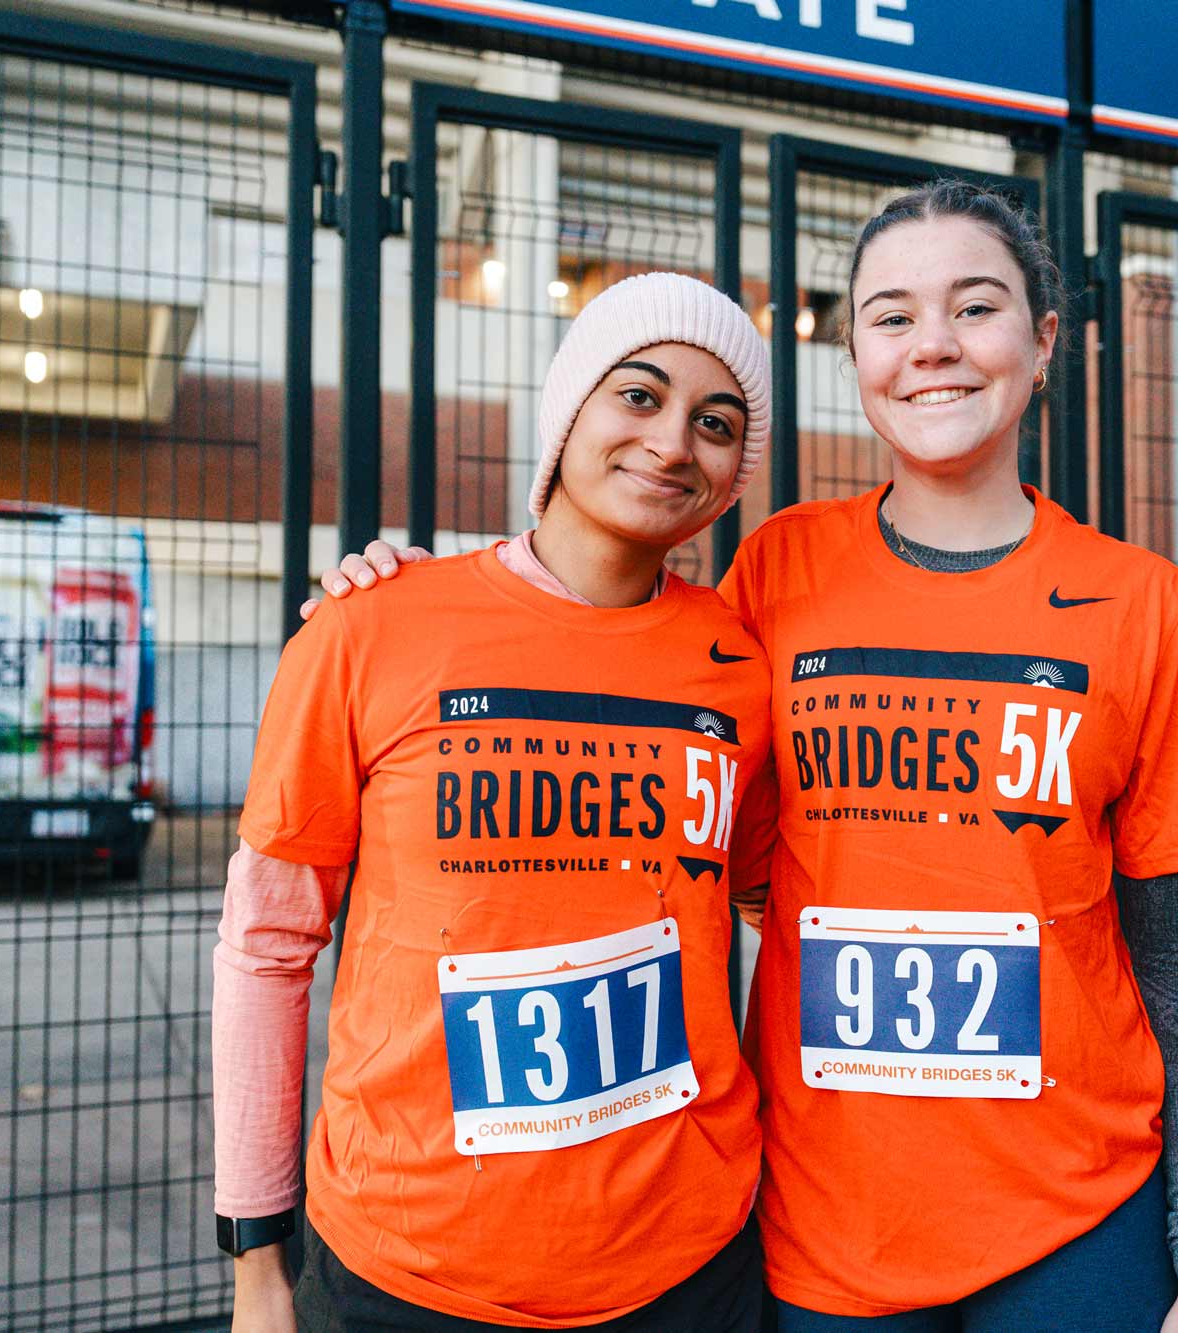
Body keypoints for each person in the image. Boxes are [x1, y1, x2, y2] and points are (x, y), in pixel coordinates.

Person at [312, 184, 1178, 1333]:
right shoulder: (774, 573)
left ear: (1043, 338)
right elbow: (637, 709)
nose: (934, 347)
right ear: (851, 349)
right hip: (826, 1220)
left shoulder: (1139, 602)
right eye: (890, 316)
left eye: (975, 305)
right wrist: (405, 599)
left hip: (1076, 1205)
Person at [216, 272, 780, 1332]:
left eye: (717, 424)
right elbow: (266, 943)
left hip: (688, 1266)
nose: (672, 444)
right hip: (407, 1269)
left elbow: (774, 908)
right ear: (569, 411)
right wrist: (257, 1261)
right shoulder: (369, 627)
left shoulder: (736, 663)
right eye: (639, 395)